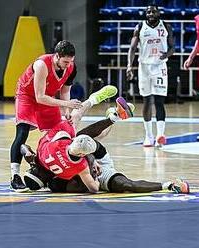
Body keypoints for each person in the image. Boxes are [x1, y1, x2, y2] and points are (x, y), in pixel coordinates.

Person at [10, 40, 117, 191]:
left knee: (66, 128)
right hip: (27, 96)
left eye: (71, 61)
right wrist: (66, 105)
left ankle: (102, 109)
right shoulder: (42, 64)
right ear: (57, 56)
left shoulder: (71, 67)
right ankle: (14, 177)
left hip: (49, 97)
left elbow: (65, 91)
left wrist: (66, 111)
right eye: (66, 61)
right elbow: (39, 97)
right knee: (22, 133)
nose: (68, 65)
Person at [21, 98, 190, 195]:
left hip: (94, 156)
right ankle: (168, 185)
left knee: (81, 137)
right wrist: (92, 171)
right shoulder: (55, 183)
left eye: (33, 169)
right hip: (93, 172)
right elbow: (94, 188)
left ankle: (112, 116)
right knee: (125, 185)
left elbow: (24, 148)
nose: (36, 170)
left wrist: (91, 161)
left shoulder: (45, 154)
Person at [126, 4, 174, 147]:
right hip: (144, 67)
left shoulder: (166, 26)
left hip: (160, 67)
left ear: (158, 13)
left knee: (159, 101)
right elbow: (133, 48)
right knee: (147, 101)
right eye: (148, 12)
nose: (151, 13)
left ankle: (160, 134)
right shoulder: (140, 27)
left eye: (153, 11)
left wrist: (167, 54)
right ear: (145, 14)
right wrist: (129, 65)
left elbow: (173, 47)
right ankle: (149, 136)